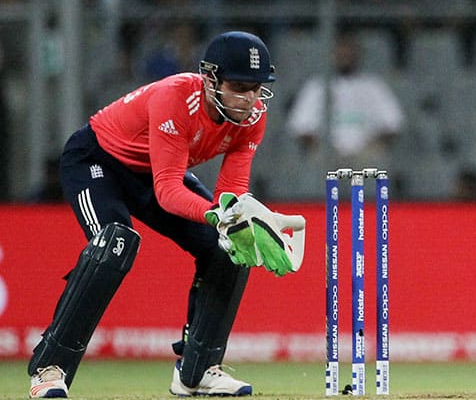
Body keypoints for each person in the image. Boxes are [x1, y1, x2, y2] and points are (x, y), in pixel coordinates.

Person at [28, 31, 303, 399]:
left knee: (228, 246)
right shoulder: (174, 97)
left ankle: (197, 371)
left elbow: (230, 194)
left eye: (257, 88)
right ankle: (50, 367)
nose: (250, 99)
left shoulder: (252, 118)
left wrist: (237, 221)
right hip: (97, 161)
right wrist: (217, 215)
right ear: (210, 80)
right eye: (239, 86)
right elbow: (169, 190)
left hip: (156, 168)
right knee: (114, 243)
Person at [286, 32, 404, 167]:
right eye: (340, 52)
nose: (345, 57)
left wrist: (374, 144)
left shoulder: (374, 86)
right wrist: (320, 146)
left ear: (358, 55)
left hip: (366, 152)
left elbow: (394, 124)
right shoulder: (316, 86)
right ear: (332, 55)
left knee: (375, 159)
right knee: (318, 159)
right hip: (327, 152)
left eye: (349, 52)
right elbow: (300, 127)